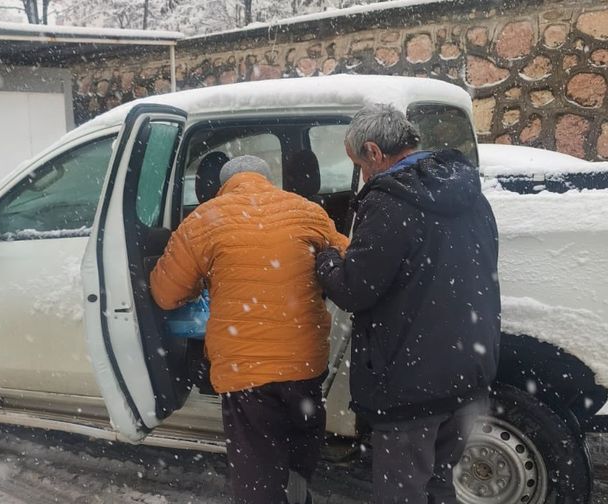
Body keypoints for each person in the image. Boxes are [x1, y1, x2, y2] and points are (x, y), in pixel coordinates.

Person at [315, 103, 501, 504]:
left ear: (374, 152)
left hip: (410, 388)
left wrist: (327, 258)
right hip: (468, 373)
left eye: (360, 166)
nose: (363, 176)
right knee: (440, 484)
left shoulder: (390, 203)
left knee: (402, 493)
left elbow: (353, 290)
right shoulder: (469, 195)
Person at [150, 155, 348, 504]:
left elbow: (165, 295)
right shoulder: (308, 211)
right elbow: (349, 265)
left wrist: (202, 283)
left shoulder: (204, 219)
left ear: (224, 184)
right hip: (304, 364)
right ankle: (298, 492)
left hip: (246, 373)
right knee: (300, 444)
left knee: (257, 466)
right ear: (267, 179)